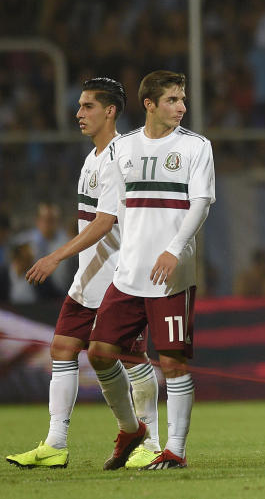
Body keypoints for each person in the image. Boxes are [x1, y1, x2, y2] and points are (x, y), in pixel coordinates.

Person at [6, 78, 161, 470]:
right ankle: (58, 443)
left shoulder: (121, 155)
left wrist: (55, 256)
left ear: (110, 111)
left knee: (125, 358)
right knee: (61, 349)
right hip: (89, 276)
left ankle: (153, 442)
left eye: (87, 106)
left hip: (122, 277)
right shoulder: (93, 158)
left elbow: (105, 221)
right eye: (79, 106)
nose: (78, 114)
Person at [86, 70, 215, 470]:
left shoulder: (196, 147)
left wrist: (174, 250)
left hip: (172, 276)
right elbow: (111, 211)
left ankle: (174, 450)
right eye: (173, 100)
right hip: (128, 275)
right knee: (100, 353)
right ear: (150, 104)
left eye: (182, 99)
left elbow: (201, 203)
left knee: (174, 363)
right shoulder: (122, 150)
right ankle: (132, 428)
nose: (182, 106)